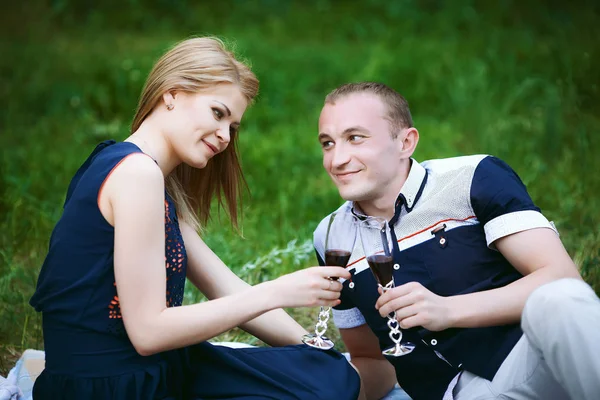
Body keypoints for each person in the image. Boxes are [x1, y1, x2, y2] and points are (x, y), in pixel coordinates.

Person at [29, 37, 361, 400]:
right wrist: (276, 290)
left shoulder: (151, 179)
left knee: (332, 375)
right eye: (218, 113)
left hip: (153, 366)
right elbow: (148, 333)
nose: (224, 137)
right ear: (171, 94)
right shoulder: (136, 174)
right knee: (328, 389)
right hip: (112, 385)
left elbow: (228, 287)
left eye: (232, 127)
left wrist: (315, 348)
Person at [313, 82, 600, 400]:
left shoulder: (473, 178)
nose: (336, 159)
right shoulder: (330, 237)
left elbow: (560, 278)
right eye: (327, 143)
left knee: (561, 299)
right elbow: (371, 360)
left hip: (532, 365)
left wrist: (449, 310)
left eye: (355, 138)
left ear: (406, 142)